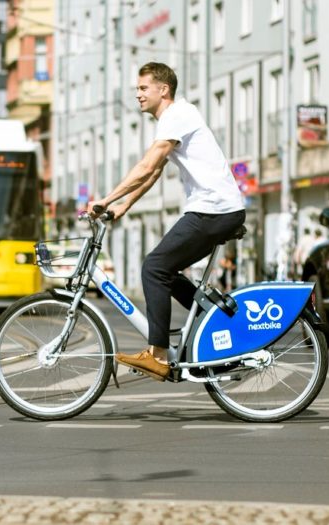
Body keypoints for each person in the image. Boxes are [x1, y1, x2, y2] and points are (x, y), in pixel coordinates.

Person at [89, 62, 245, 381]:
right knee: (165, 270)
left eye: (143, 88)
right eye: (137, 89)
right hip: (215, 209)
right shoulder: (174, 119)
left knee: (154, 268)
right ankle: (214, 324)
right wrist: (123, 207)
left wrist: (106, 198)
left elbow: (147, 166)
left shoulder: (178, 115)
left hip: (214, 210)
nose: (138, 94)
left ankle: (158, 354)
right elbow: (155, 173)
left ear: (164, 90)